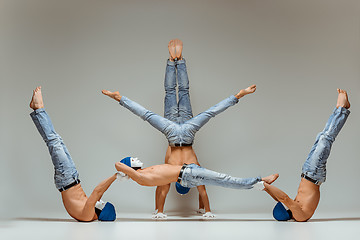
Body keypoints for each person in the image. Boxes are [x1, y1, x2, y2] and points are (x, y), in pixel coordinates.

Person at [102, 40, 256, 219]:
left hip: (186, 130)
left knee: (192, 98)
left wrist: (206, 211)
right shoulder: (171, 170)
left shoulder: (188, 169)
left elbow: (200, 190)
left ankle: (180, 61)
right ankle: (165, 66)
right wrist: (162, 211)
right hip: (173, 132)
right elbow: (172, 189)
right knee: (154, 107)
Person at [29, 87, 117, 222]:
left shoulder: (88, 215)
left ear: (101, 212)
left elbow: (97, 192)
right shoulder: (90, 213)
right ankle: (36, 110)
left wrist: (115, 176)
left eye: (102, 204)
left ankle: (39, 109)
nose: (100, 201)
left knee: (53, 141)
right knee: (56, 140)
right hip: (70, 179)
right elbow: (98, 195)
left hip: (67, 178)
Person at [263, 89, 350, 222]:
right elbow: (283, 198)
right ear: (287, 211)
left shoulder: (295, 208)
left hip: (308, 171)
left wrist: (265, 189)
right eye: (285, 206)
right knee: (325, 139)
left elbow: (279, 198)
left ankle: (339, 109)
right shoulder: (300, 216)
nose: (286, 203)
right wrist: (264, 184)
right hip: (314, 174)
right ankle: (342, 109)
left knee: (321, 137)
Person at [115, 157, 279, 194]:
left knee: (224, 180)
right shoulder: (141, 178)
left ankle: (258, 183)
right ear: (130, 167)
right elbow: (118, 165)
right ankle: (260, 182)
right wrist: (121, 171)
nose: (136, 159)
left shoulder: (144, 173)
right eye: (132, 160)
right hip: (188, 175)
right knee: (225, 179)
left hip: (188, 172)